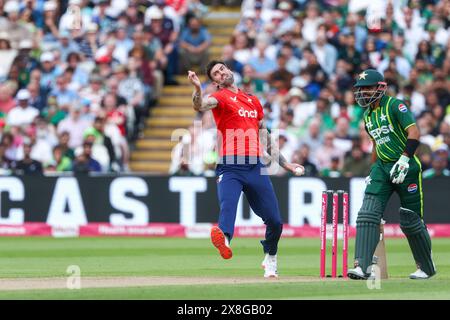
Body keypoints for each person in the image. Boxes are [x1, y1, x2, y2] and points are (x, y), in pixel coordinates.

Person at [187, 61, 305, 278]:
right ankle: (224, 239)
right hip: (230, 166)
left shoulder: (252, 100)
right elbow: (200, 106)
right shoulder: (220, 97)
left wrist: (286, 164)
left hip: (255, 166)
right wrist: (197, 88)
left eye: (222, 69)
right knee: (228, 204)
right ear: (215, 82)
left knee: (275, 221)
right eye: (216, 73)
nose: (221, 73)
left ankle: (270, 258)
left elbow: (265, 137)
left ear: (229, 71)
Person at [347, 69, 436, 280]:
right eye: (360, 90)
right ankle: (362, 266)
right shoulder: (368, 115)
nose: (363, 94)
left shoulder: (395, 105)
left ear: (380, 87)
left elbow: (414, 133)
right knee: (367, 213)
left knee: (410, 219)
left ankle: (426, 266)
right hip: (382, 167)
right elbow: (376, 145)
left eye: (367, 89)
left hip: (406, 166)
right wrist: (372, 170)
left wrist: (405, 159)